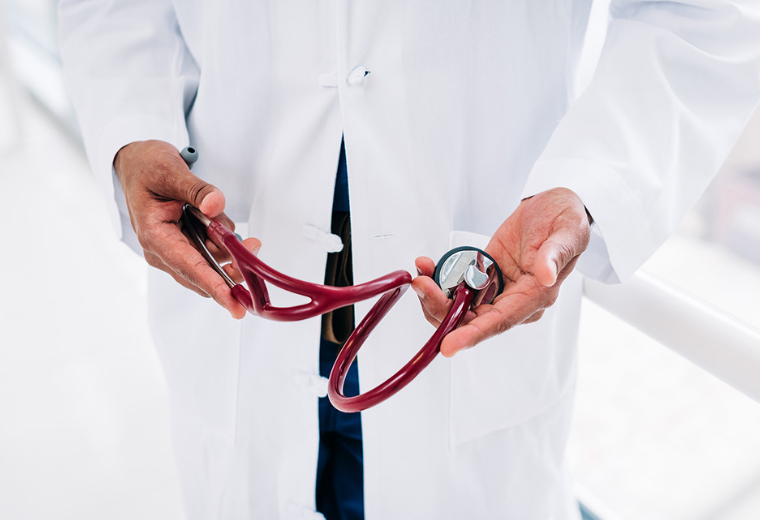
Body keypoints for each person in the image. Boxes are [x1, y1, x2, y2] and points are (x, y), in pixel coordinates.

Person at [58, 1, 760, 519]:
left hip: (467, 336)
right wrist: (132, 127)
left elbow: (697, 19)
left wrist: (590, 185)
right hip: (237, 301)